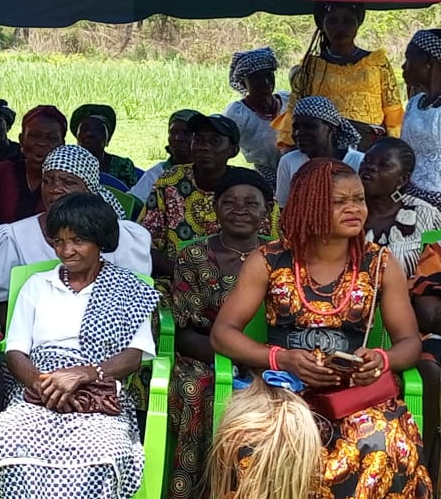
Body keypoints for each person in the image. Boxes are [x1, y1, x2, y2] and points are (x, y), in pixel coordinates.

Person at [210, 158, 431, 499]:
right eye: (339, 201)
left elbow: (409, 343)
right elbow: (222, 333)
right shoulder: (268, 259)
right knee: (254, 443)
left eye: (358, 199)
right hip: (282, 390)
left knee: (382, 443)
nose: (354, 209)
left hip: (355, 395)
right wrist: (281, 359)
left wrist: (380, 360)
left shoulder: (380, 263)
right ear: (308, 205)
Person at [0, 193, 160, 499]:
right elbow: (15, 351)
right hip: (36, 391)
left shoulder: (129, 289)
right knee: (14, 439)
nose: (66, 251)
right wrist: (46, 386)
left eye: (78, 240)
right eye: (59, 241)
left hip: (98, 394)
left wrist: (82, 375)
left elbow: (134, 355)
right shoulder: (38, 285)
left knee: (103, 450)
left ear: (100, 240)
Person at [166, 167, 275, 499]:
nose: (240, 210)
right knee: (195, 388)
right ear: (215, 208)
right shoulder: (193, 255)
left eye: (251, 203)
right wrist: (235, 360)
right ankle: (195, 490)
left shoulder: (281, 256)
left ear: (267, 210)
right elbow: (184, 333)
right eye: (229, 202)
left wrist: (261, 360)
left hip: (270, 359)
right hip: (206, 356)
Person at [0, 145, 151, 304]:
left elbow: (132, 297)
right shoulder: (13, 237)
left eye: (68, 182)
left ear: (88, 190)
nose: (54, 189)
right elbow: (2, 305)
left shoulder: (121, 236)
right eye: (47, 181)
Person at [142, 112, 279, 277]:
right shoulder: (171, 181)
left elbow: (275, 245)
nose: (204, 147)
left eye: (214, 141)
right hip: (177, 277)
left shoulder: (250, 186)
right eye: (198, 139)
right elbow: (145, 242)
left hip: (244, 278)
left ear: (233, 151)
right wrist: (185, 274)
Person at [275, 1, 404, 150]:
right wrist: (289, 152)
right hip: (324, 149)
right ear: (322, 24)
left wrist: (392, 149)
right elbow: (295, 112)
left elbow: (393, 111)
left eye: (347, 21)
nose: (340, 27)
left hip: (370, 149)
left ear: (358, 23)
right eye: (332, 21)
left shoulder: (377, 62)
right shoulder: (311, 67)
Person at [0, 105, 68, 236]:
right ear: (21, 140)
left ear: (61, 145)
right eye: (34, 136)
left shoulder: (68, 181)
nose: (42, 143)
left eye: (51, 138)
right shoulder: (3, 171)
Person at [359, 138, 441, 276]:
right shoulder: (342, 210)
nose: (371, 167)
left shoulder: (425, 214)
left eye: (384, 165)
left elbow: (437, 265)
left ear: (402, 179)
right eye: (367, 160)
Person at [275, 96, 365, 206]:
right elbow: (284, 207)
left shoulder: (359, 162)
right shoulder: (288, 162)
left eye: (309, 126)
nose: (299, 133)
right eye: (295, 127)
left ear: (331, 128)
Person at [223, 48, 288, 181]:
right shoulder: (238, 114)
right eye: (257, 78)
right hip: (265, 178)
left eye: (269, 75)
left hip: (295, 171)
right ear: (243, 83)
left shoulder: (287, 100)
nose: (266, 82)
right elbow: (223, 146)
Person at [409, 242, 441, 483]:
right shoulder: (437, 252)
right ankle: (428, 478)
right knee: (428, 369)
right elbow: (427, 315)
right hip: (437, 345)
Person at [401, 28, 441, 206]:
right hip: (410, 196)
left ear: (428, 62)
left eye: (408, 58)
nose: (403, 66)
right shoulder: (414, 103)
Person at [129, 109, 195, 204]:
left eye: (186, 133)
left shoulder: (207, 173)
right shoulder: (157, 172)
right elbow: (133, 201)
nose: (177, 138)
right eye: (173, 132)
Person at [70, 103, 139, 188]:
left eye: (98, 129)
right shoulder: (67, 164)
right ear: (77, 135)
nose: (90, 133)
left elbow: (135, 194)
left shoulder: (123, 166)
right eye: (85, 129)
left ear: (108, 137)